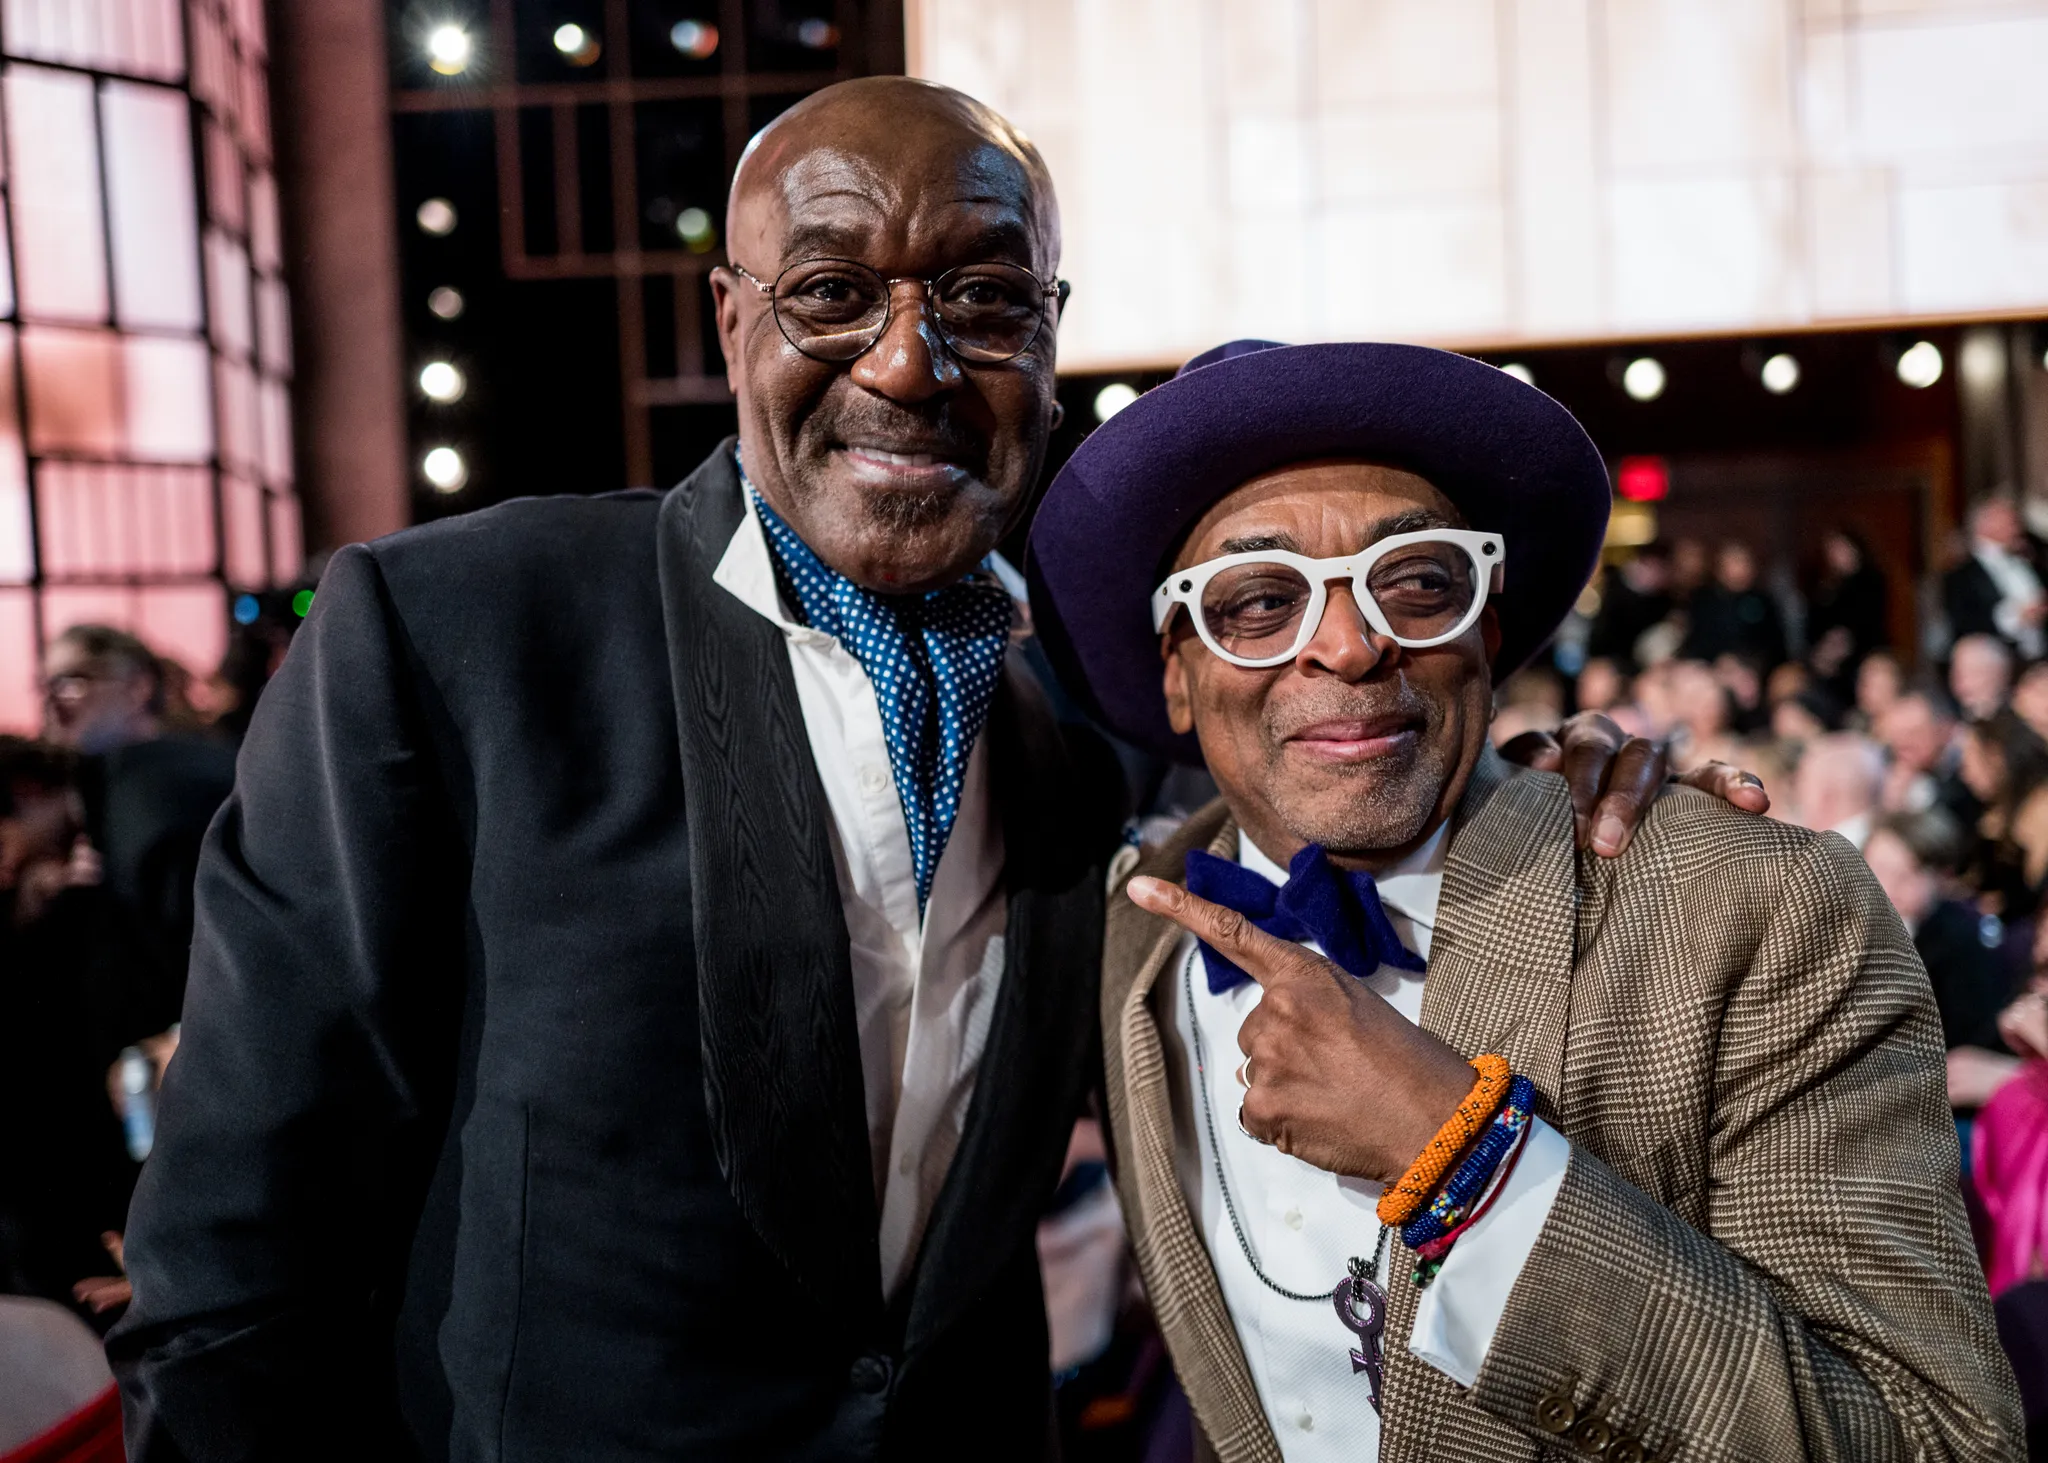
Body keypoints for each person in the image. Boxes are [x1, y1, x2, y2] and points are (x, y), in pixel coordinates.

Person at [105, 82, 1698, 1462]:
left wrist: (1546, 792)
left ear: (1053, 338)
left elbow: (1340, 828)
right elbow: (231, 1270)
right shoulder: (461, 635)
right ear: (731, 320)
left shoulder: (1099, 714)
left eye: (985, 299)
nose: (909, 361)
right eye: (831, 292)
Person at [1028, 338, 2021, 1460]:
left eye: (1416, 581)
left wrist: (1466, 1165)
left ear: (1486, 628)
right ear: (1176, 671)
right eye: (1257, 601)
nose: (1349, 645)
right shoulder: (1128, 938)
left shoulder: (1754, 909)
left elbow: (1934, 1441)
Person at [41, 624, 235, 1025]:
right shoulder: (116, 786)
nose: (55, 702)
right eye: (47, 686)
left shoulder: (160, 791)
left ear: (138, 688)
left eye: (74, 682)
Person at [1863, 808, 2011, 1055]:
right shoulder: (1853, 924)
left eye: (1907, 874)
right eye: (1879, 870)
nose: (1888, 885)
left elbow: (1965, 1033)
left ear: (1943, 876)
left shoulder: (1959, 942)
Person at [1960, 710, 2048, 922]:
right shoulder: (1994, 813)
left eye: (1969, 762)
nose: (1965, 775)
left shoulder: (2040, 807)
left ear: (1995, 757)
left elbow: (2029, 892)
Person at [1945, 497, 2045, 659]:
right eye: (2008, 522)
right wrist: (2015, 617)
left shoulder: (2029, 562)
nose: (2016, 528)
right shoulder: (1961, 576)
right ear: (1985, 525)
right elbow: (1965, 624)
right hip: (1995, 661)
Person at [1679, 540, 1787, 670]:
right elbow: (1697, 640)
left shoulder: (1764, 601)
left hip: (1754, 667)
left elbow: (1774, 644)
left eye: (1745, 562)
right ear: (1720, 568)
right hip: (1710, 667)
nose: (1741, 568)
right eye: (1734, 562)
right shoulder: (1703, 600)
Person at [1805, 526, 1889, 693]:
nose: (1837, 555)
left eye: (1842, 548)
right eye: (1832, 550)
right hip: (1827, 661)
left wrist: (1840, 643)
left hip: (1861, 654)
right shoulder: (1826, 586)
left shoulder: (1871, 580)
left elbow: (1867, 620)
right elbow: (1814, 622)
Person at [1788, 731, 1884, 849]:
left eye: (1801, 782)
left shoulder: (1831, 853)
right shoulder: (1889, 839)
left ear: (1824, 793)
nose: (1796, 795)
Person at [1954, 632, 2018, 722]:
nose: (1961, 681)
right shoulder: (1947, 715)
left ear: (1999, 674)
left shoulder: (2021, 715)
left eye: (1974, 673)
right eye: (1957, 671)